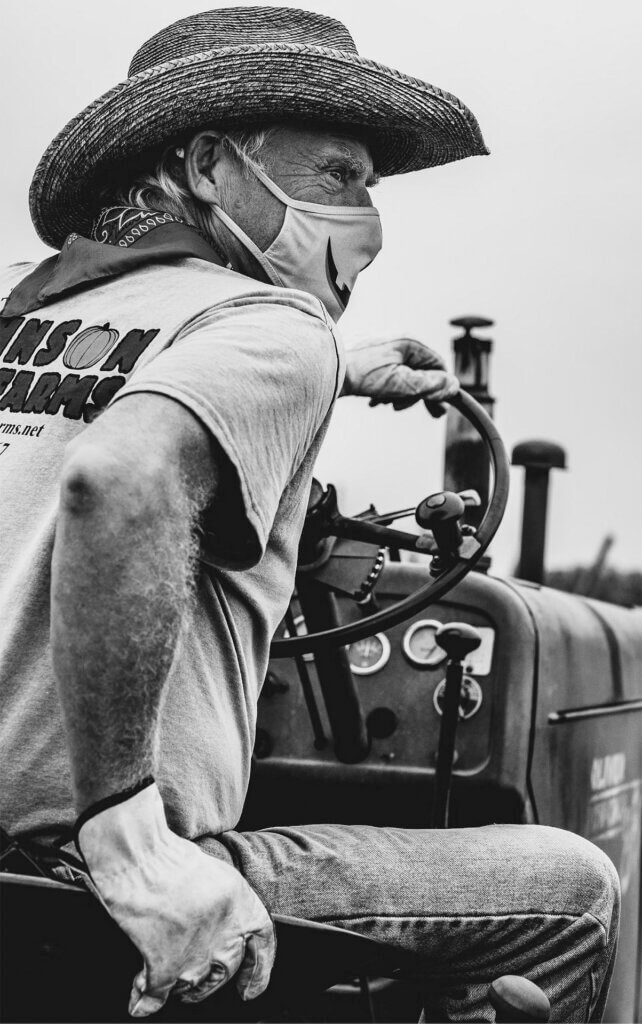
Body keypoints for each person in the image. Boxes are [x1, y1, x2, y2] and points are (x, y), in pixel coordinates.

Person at [0, 7, 619, 1021]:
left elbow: (102, 415)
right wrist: (131, 839)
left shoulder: (26, 308)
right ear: (209, 164)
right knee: (571, 891)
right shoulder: (275, 329)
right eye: (340, 174)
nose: (368, 217)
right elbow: (116, 476)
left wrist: (336, 371)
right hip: (82, 887)